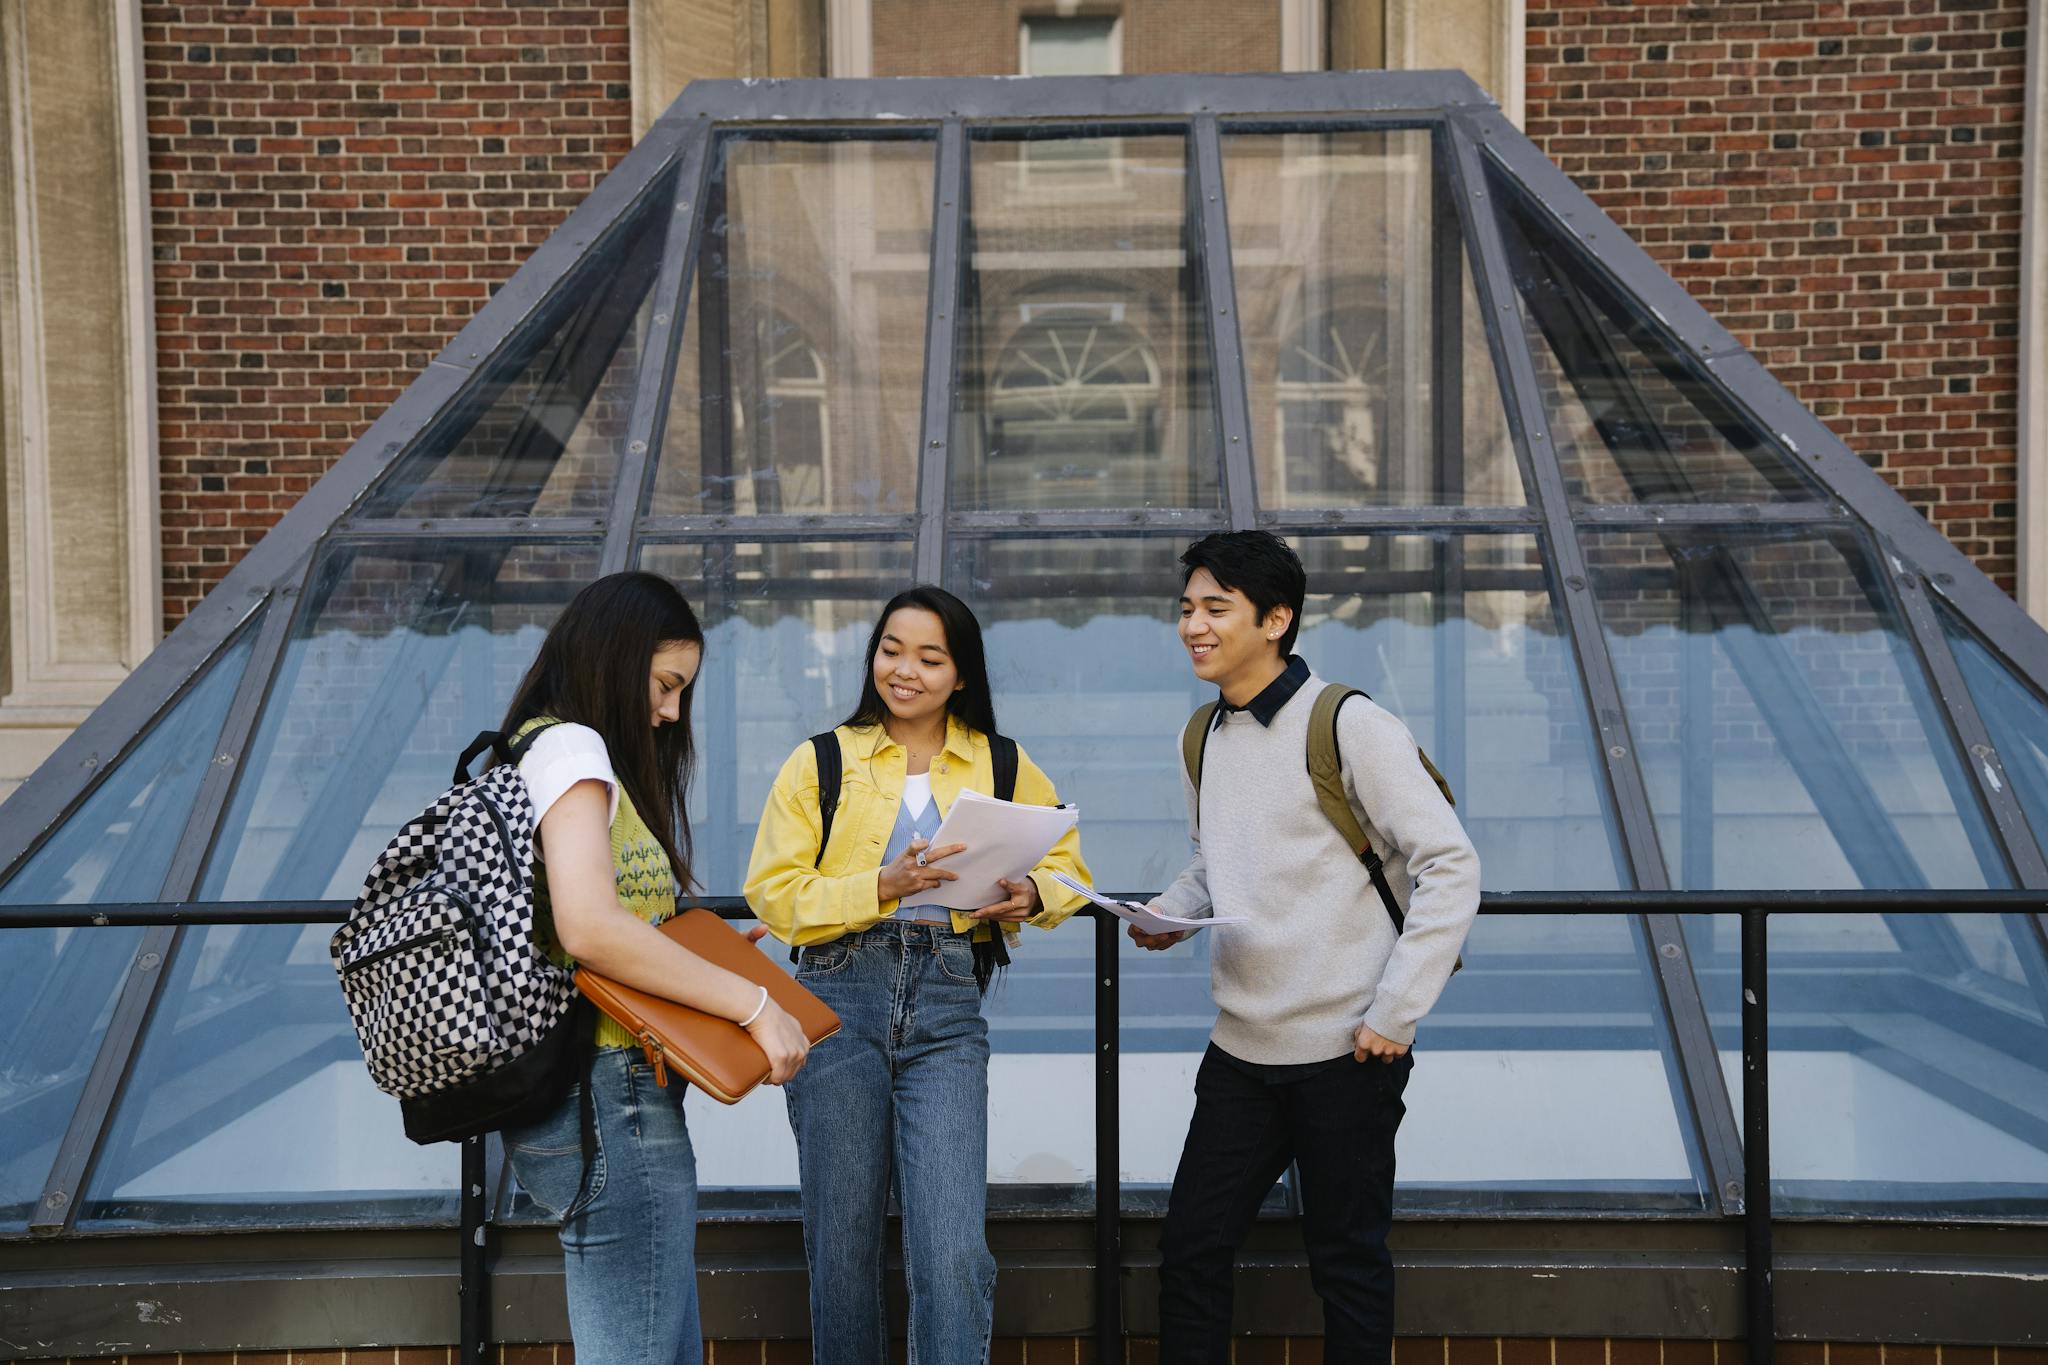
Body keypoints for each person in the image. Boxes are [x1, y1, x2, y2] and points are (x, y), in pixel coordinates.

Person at [1131, 531, 1480, 1365]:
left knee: (1347, 1266)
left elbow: (1452, 864)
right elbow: (1217, 862)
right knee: (1190, 1253)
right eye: (1187, 608)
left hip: (1349, 1051)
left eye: (1216, 608)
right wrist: (1165, 912)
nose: (1193, 626)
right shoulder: (1201, 735)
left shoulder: (1350, 724)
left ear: (1277, 618)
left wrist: (1395, 1013)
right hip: (1239, 1051)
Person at [744, 584, 1091, 1365]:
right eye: (891, 650)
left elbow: (1067, 861)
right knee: (842, 1250)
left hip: (946, 1000)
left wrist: (1032, 893)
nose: (904, 670)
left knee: (953, 1250)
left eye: (930, 657)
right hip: (835, 996)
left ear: (960, 673)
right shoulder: (822, 759)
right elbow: (775, 892)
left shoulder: (999, 760)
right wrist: (879, 886)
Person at [498, 571, 812, 1365]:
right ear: (614, 655)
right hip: (612, 1095)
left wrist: (703, 959)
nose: (671, 711)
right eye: (665, 684)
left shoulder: (539, 745)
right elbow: (591, 928)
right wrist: (749, 1003)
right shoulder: (570, 748)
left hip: (605, 1096)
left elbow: (595, 930)